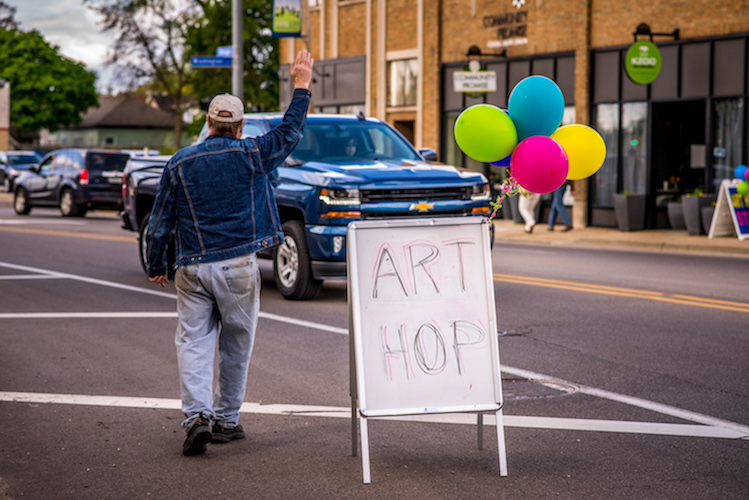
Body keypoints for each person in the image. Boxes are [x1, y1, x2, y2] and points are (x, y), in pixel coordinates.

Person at [145, 50, 314, 456]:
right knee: (236, 345)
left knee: (193, 342)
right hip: (239, 265)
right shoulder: (254, 153)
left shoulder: (180, 162)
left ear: (207, 123)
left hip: (192, 268)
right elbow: (290, 131)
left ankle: (195, 417)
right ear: (238, 127)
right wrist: (302, 84)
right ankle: (226, 420)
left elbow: (160, 219)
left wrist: (156, 263)